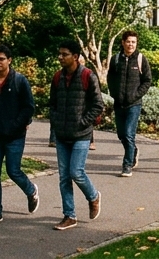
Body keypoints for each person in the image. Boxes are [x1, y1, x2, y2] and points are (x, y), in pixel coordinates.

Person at [0, 44, 38, 225]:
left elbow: (29, 107)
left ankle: (31, 191)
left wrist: (15, 126)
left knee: (13, 170)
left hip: (15, 136)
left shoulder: (20, 81)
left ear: (9, 60)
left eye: (1, 59)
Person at [49, 41, 103, 229]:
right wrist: (55, 122)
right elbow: (52, 104)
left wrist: (83, 121)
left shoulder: (88, 76)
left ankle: (93, 196)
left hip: (81, 134)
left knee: (76, 172)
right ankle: (69, 215)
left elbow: (98, 105)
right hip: (62, 135)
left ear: (75, 56)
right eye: (60, 54)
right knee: (64, 177)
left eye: (64, 54)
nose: (60, 57)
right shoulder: (57, 77)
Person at [106, 30, 152, 177]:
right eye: (128, 41)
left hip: (134, 104)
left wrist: (135, 95)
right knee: (121, 134)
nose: (131, 44)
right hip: (119, 103)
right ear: (123, 42)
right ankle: (134, 151)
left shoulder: (140, 59)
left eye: (133, 42)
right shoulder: (116, 59)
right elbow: (110, 78)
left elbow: (147, 80)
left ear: (136, 43)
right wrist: (114, 94)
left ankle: (127, 165)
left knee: (128, 134)